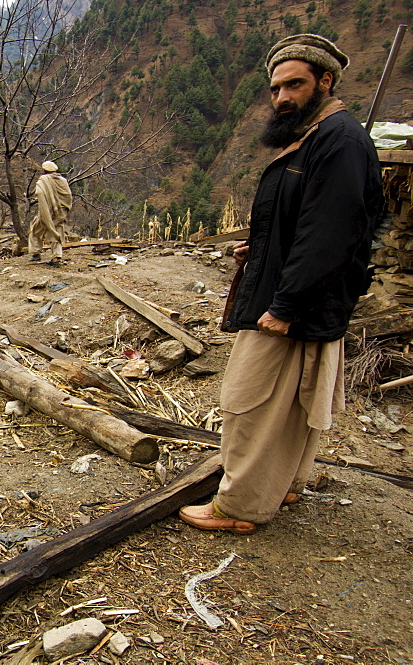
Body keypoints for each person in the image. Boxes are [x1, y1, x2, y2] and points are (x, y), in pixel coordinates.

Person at [180, 34, 382, 535]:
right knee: (290, 407)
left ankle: (240, 507)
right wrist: (261, 247)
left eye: (294, 85)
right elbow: (304, 217)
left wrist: (287, 304)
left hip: (295, 303)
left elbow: (332, 233)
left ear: (325, 81)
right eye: (275, 88)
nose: (281, 98)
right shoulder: (315, 136)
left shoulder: (340, 141)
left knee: (252, 404)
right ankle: (282, 484)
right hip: (296, 292)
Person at [28, 161, 73, 266]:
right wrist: (64, 208)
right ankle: (55, 257)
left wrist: (46, 208)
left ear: (45, 170)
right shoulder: (63, 181)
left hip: (47, 212)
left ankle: (36, 253)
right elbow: (68, 196)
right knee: (56, 231)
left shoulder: (43, 180)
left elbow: (39, 193)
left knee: (35, 230)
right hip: (60, 213)